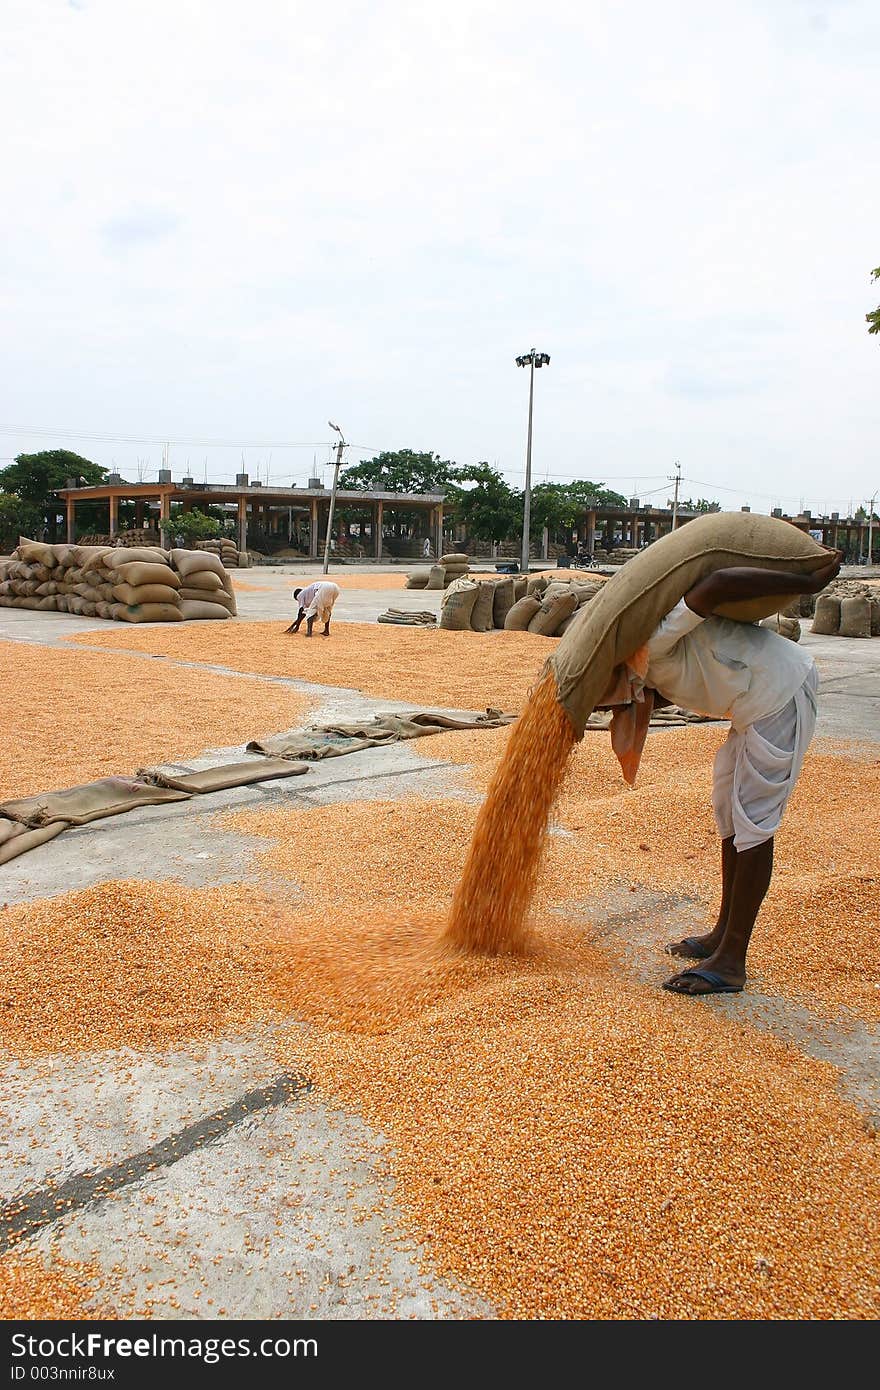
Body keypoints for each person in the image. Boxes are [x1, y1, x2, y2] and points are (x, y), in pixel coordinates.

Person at [638, 551, 842, 997]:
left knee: (754, 821)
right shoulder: (645, 667)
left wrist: (806, 586)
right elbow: (682, 681)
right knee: (730, 813)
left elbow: (719, 583)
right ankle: (721, 933)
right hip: (750, 704)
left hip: (779, 692)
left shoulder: (652, 641)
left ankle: (732, 959)